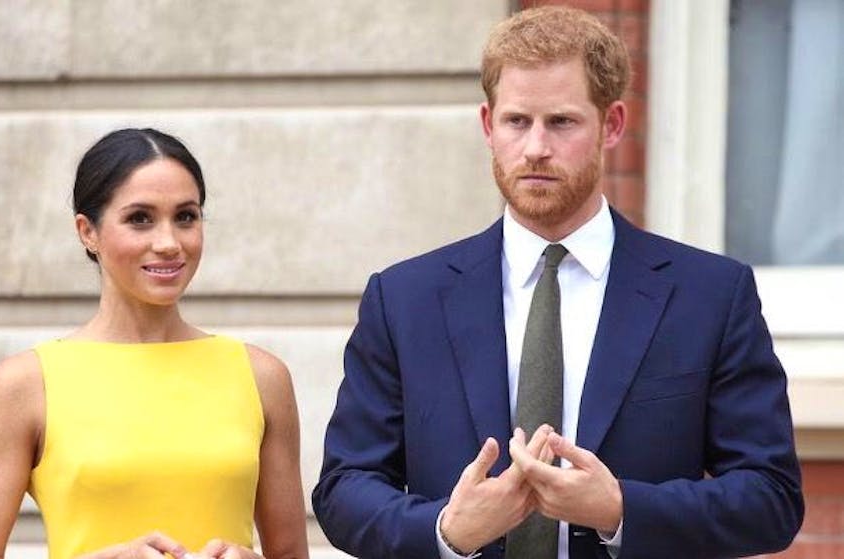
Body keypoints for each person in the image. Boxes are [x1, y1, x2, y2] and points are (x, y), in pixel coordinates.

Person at [312, 6, 803, 559]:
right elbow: (343, 490)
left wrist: (620, 509)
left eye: (562, 122)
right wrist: (448, 531)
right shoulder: (404, 299)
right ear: (487, 125)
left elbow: (771, 498)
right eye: (517, 121)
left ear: (611, 124)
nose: (536, 148)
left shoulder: (710, 295)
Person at [0, 128, 310, 559]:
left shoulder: (261, 377)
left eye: (186, 216)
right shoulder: (24, 384)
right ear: (88, 232)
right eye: (140, 218)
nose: (169, 243)